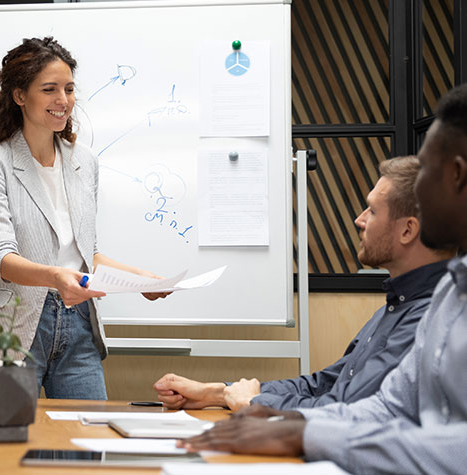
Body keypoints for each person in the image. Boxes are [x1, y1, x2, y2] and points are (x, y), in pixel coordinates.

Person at [179, 83, 467, 475]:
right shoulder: (452, 289)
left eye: (427, 172)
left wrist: (284, 425)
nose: (358, 221)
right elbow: (388, 404)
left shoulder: (432, 302)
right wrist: (245, 404)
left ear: (456, 175)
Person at [0, 37, 168, 400]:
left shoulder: (84, 161)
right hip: (12, 323)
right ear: (20, 96)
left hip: (78, 322)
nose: (64, 101)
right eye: (50, 89)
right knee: (4, 447)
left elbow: (87, 253)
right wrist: (56, 277)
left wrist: (140, 279)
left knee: (85, 444)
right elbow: (0, 259)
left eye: (69, 89)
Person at [153, 156, 453, 411]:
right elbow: (327, 383)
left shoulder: (430, 316)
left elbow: (343, 407)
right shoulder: (398, 305)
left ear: (407, 231)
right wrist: (218, 393)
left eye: (372, 211)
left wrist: (255, 402)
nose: (359, 220)